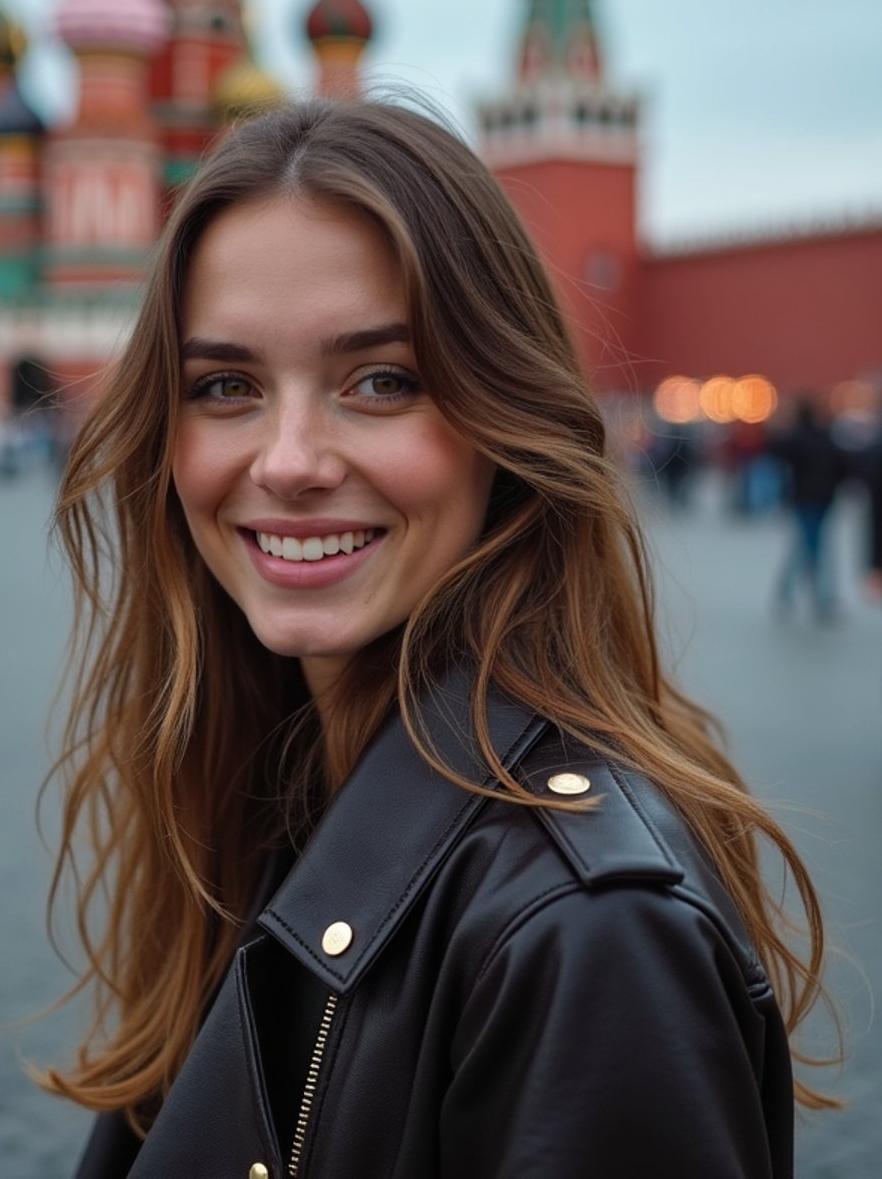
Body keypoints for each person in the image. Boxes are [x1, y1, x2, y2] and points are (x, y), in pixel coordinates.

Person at [41, 101, 836, 1178]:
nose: (287, 461)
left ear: (505, 417)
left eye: (380, 381)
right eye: (225, 385)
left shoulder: (586, 938)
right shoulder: (265, 794)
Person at [771, 397, 848, 622]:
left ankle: (790, 593)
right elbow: (843, 468)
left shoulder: (797, 438)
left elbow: (775, 449)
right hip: (823, 499)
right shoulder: (828, 438)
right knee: (814, 546)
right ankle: (818, 598)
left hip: (804, 499)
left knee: (808, 546)